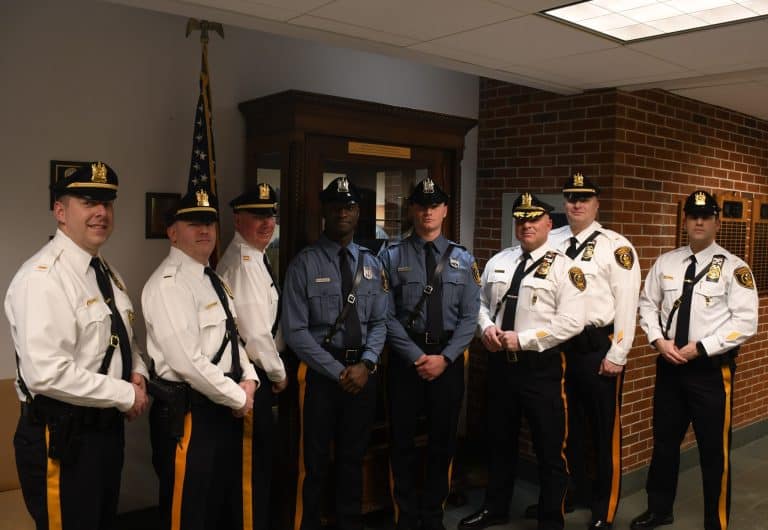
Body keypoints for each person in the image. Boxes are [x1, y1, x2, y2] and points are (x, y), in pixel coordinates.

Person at [5, 162, 149, 530]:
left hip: (104, 433)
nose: (101, 212)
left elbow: (124, 339)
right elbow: (47, 374)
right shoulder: (43, 278)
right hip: (62, 438)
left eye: (107, 203)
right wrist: (124, 394)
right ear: (60, 211)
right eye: (88, 202)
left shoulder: (106, 272)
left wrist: (138, 374)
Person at [459, 192, 585, 530]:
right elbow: (479, 304)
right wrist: (485, 328)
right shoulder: (499, 261)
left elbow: (572, 322)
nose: (526, 225)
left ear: (548, 223)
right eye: (520, 220)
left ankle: (550, 519)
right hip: (501, 366)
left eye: (533, 219)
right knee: (498, 441)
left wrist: (525, 339)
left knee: (549, 448)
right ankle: (495, 508)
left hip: (540, 369)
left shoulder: (566, 268)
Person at [633, 190, 758, 530]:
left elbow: (745, 322)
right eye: (692, 215)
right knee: (664, 444)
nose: (699, 221)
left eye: (705, 216)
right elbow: (647, 304)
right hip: (670, 368)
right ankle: (659, 509)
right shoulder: (666, 263)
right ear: (685, 220)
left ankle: (715, 522)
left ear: (717, 221)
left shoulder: (735, 268)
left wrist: (701, 347)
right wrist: (658, 340)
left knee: (713, 452)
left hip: (710, 374)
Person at [142, 187, 259, 530]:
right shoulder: (169, 285)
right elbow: (187, 362)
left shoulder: (213, 279)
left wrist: (250, 378)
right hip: (190, 413)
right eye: (194, 222)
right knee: (188, 510)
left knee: (219, 506)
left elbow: (233, 337)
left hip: (224, 407)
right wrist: (240, 396)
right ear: (172, 232)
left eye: (209, 221)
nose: (205, 230)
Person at [282, 176, 388, 530]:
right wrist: (339, 371)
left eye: (350, 207)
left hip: (363, 374)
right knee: (313, 462)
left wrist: (367, 363)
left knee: (352, 458)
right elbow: (296, 331)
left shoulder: (372, 264)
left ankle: (348, 523)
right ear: (325, 212)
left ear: (358, 213)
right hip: (321, 377)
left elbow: (380, 321)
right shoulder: (304, 265)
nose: (343, 212)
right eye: (336, 206)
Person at [539, 172, 640, 529]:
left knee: (603, 431)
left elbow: (628, 304)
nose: (576, 204)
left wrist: (619, 354)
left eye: (584, 198)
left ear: (597, 203)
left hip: (598, 350)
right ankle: (573, 493)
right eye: (570, 197)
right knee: (566, 429)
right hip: (557, 350)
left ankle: (605, 506)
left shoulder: (617, 247)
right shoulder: (549, 240)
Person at [379, 178, 480, 530]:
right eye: (421, 205)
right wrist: (414, 355)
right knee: (402, 442)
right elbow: (384, 314)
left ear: (445, 210)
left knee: (442, 441)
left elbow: (470, 318)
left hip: (447, 362)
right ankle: (404, 516)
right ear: (412, 210)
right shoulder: (390, 256)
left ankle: (433, 514)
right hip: (407, 361)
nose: (428, 212)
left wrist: (446, 358)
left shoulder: (463, 259)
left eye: (434, 205)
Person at [218, 183, 288, 530]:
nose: (267, 223)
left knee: (259, 466)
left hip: (256, 374)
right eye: (257, 215)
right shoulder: (243, 263)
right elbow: (256, 334)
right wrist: (279, 374)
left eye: (271, 215)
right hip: (251, 377)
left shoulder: (254, 257)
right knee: (249, 470)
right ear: (237, 219)